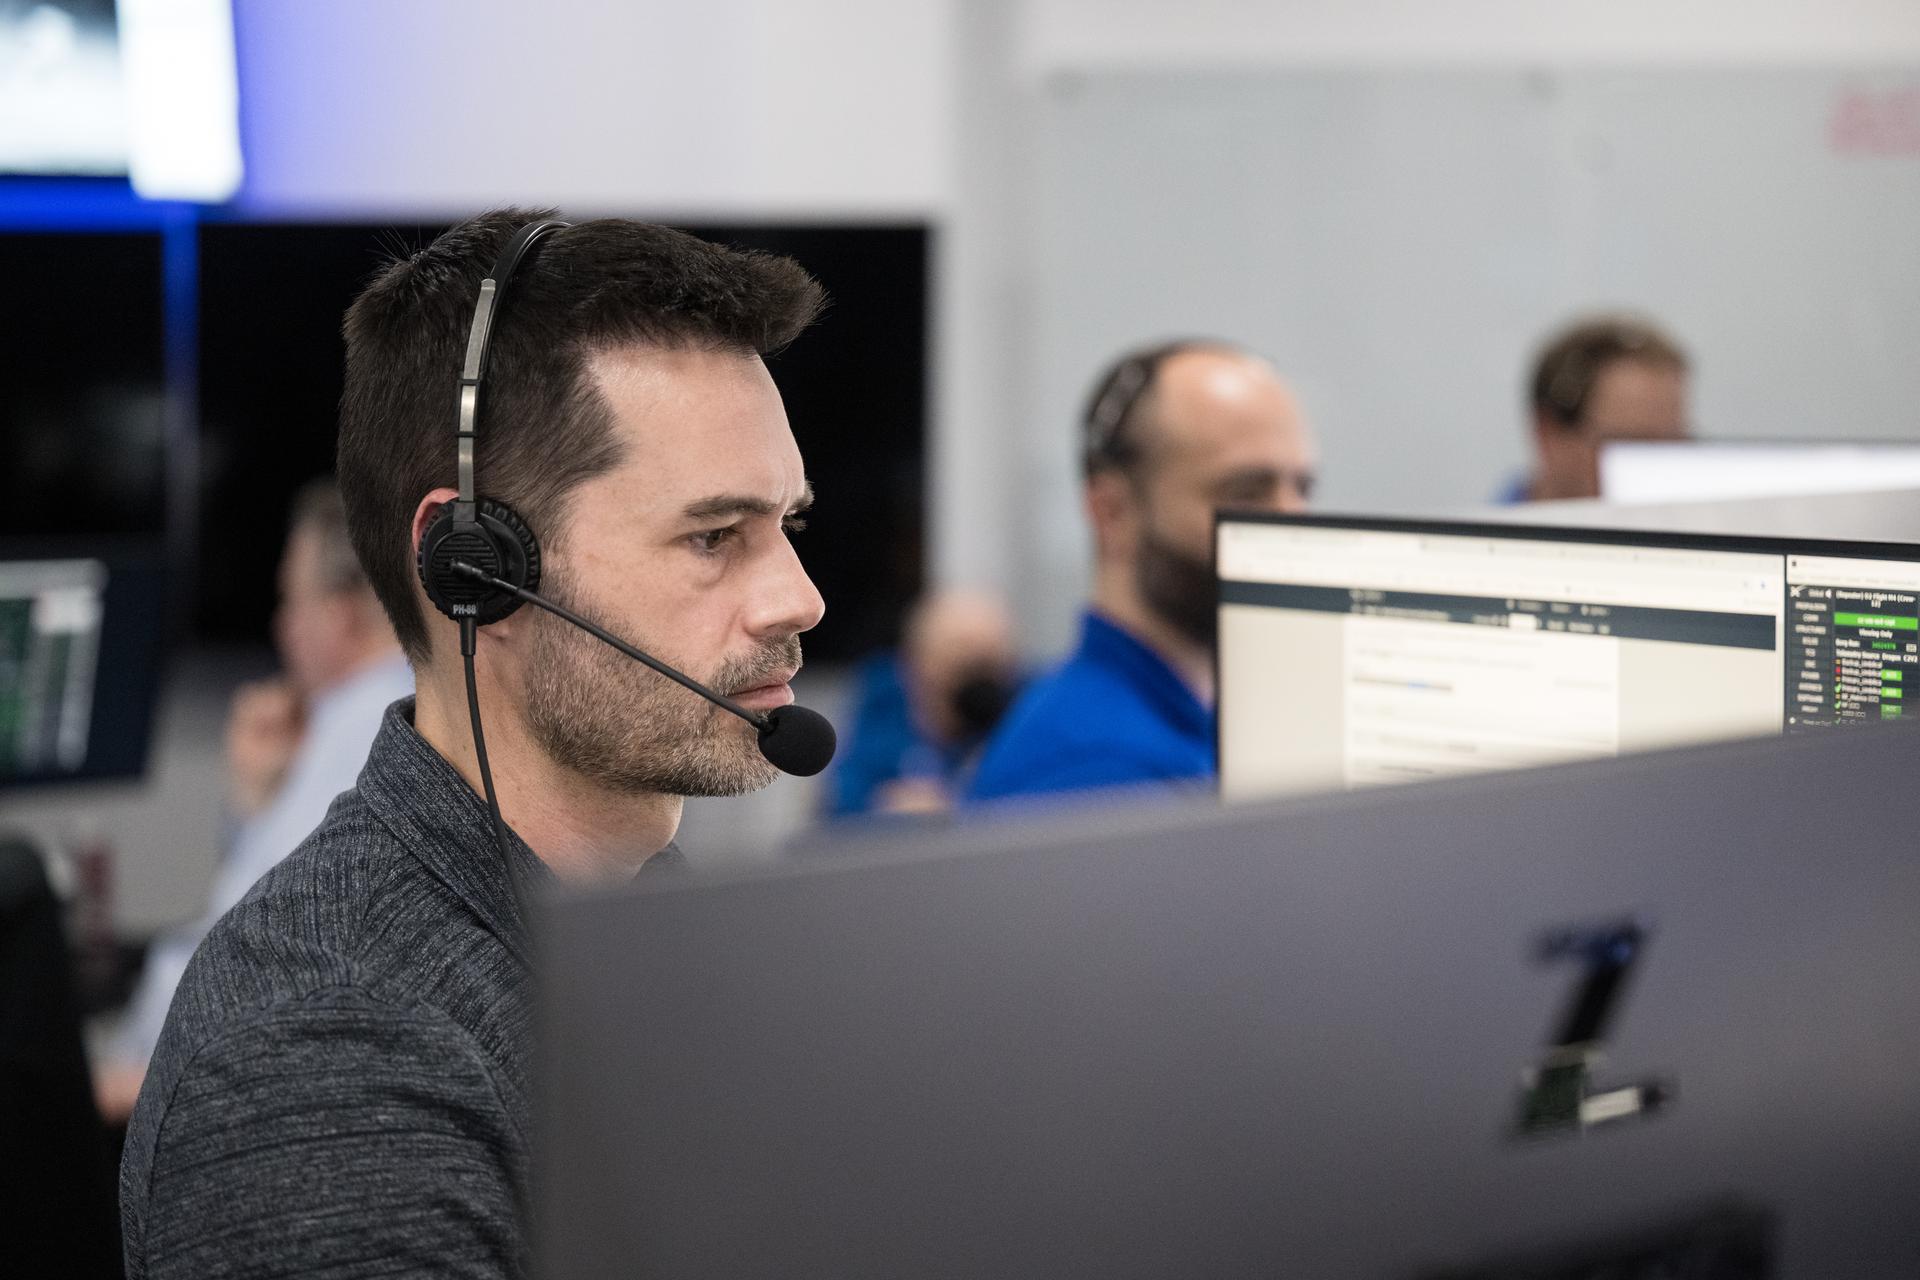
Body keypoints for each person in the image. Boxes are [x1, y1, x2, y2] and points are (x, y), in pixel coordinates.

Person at [119, 211, 827, 1277]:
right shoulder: (325, 1057)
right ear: (476, 569)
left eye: (791, 527)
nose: (800, 599)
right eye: (714, 536)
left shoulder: (643, 928)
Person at [93, 480, 411, 1124]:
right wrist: (253, 804)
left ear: (342, 614)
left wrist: (135, 1086)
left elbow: (261, 979)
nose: (279, 625)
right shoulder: (367, 722)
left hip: (172, 1096)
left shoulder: (360, 730)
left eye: (290, 600)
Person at [964, 339, 1317, 806]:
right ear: (1112, 512)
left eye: (1302, 488)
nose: (1293, 525)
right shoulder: (1090, 778)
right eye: (1247, 493)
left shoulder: (1199, 722)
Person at [827, 587, 1021, 816]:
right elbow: (841, 802)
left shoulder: (1020, 715)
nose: (976, 683)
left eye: (988, 662)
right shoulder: (882, 711)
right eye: (961, 658)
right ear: (916, 661)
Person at [1501, 314, 1691, 503]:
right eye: (1631, 445)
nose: (1658, 472)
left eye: (1674, 444)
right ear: (1548, 435)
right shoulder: (1481, 532)